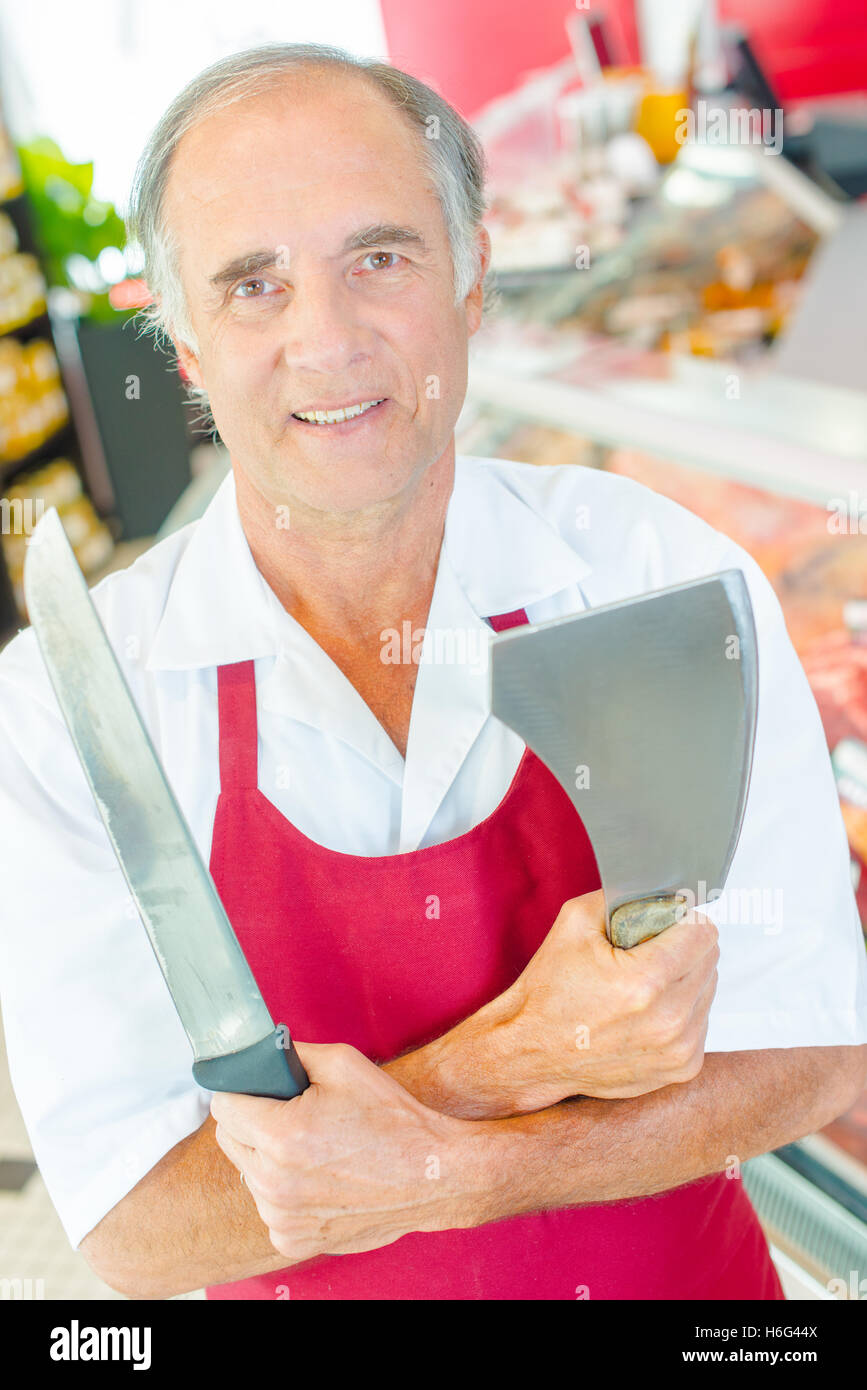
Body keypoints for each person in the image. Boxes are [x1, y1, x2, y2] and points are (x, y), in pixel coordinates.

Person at [0, 43, 864, 1301]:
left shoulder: (663, 581)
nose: (327, 338)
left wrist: (456, 1171)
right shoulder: (73, 710)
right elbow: (135, 1224)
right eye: (252, 284)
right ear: (182, 349)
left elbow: (816, 1051)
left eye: (381, 256)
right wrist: (503, 1064)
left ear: (471, 286)